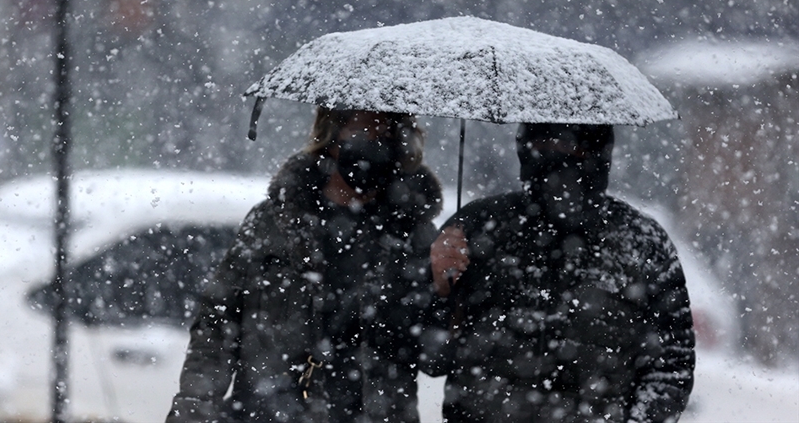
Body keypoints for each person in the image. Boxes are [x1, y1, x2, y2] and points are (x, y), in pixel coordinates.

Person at [166, 107, 443, 423]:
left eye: (388, 135)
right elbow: (218, 324)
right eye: (366, 132)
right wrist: (193, 410)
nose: (376, 145)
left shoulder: (414, 236)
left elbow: (437, 357)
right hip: (267, 412)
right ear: (331, 135)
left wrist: (444, 290)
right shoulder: (275, 223)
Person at [420, 123, 695, 423]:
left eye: (571, 147)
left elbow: (671, 367)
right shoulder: (477, 228)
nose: (556, 158)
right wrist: (439, 288)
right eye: (543, 145)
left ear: (597, 152)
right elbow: (432, 359)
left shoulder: (642, 244)